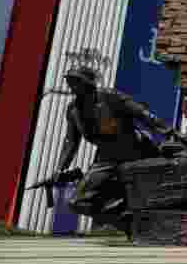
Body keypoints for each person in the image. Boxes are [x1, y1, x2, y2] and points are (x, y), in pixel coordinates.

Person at [52, 65, 178, 237]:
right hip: (106, 157)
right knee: (78, 202)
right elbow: (71, 142)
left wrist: (169, 132)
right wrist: (61, 168)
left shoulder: (111, 97)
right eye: (69, 81)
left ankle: (142, 219)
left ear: (88, 83)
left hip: (137, 151)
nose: (71, 85)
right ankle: (127, 222)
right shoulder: (73, 110)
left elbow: (143, 114)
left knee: (150, 195)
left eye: (75, 81)